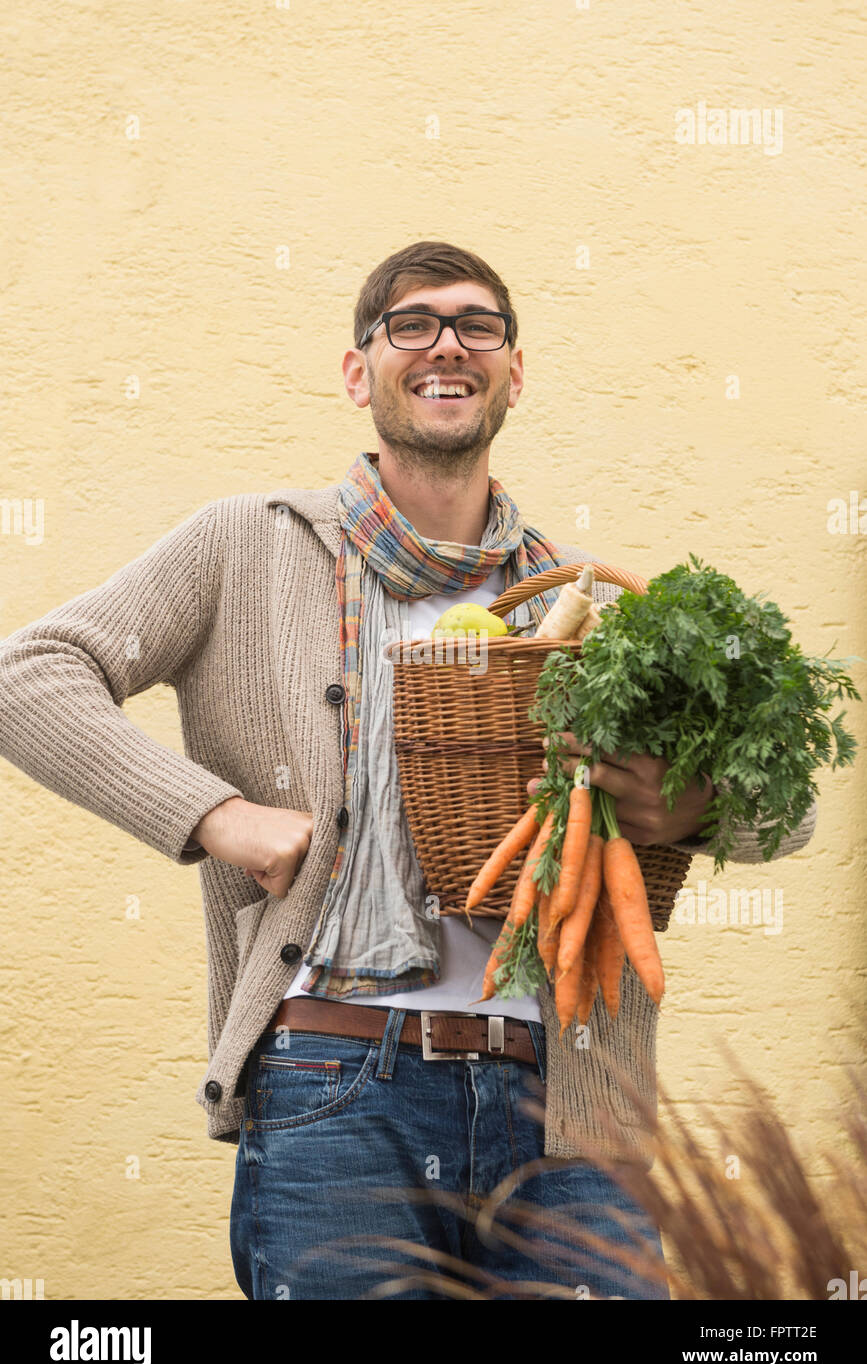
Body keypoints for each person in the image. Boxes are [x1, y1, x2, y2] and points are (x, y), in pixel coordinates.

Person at [0, 240, 816, 1301]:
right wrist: (218, 816)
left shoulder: (584, 610)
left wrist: (692, 806)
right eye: (412, 324)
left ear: (514, 375)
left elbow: (786, 811)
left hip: (567, 1104)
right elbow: (29, 676)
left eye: (478, 326)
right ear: (360, 372)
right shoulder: (246, 546)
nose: (447, 347)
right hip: (337, 1086)